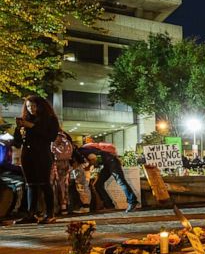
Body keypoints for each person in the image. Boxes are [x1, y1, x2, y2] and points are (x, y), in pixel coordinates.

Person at [12, 95, 61, 223]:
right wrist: (18, 129)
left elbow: (50, 137)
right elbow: (17, 143)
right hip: (27, 154)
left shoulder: (50, 119)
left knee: (45, 183)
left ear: (41, 106)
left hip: (43, 154)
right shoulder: (25, 120)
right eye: (28, 106)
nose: (31, 109)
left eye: (34, 106)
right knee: (31, 185)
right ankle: (30, 214)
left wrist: (32, 126)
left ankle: (50, 214)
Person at [73, 141, 139, 212]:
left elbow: (93, 158)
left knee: (121, 181)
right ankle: (109, 205)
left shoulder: (81, 152)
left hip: (112, 161)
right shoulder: (83, 150)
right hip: (108, 163)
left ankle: (132, 201)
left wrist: (91, 165)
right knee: (98, 184)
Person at [51, 129, 75, 215]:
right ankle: (64, 206)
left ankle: (55, 207)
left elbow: (52, 150)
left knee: (53, 184)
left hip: (55, 162)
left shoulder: (53, 137)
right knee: (64, 184)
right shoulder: (66, 138)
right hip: (66, 162)